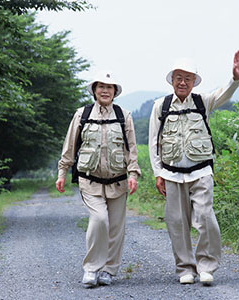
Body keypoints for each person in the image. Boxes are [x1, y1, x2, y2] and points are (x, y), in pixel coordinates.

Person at [148, 51, 239, 285]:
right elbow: (153, 142)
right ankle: (185, 269)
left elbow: (225, 94)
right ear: (172, 80)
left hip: (201, 172)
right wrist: (158, 173)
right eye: (178, 77)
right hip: (171, 174)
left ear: (194, 82)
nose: (183, 82)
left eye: (188, 78)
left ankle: (206, 266)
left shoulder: (203, 101)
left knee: (205, 218)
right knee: (177, 222)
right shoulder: (161, 106)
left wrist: (235, 79)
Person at [56, 71, 141, 288]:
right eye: (101, 86)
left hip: (118, 181)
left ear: (115, 92)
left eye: (109, 87)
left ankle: (109, 270)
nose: (105, 90)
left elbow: (131, 148)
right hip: (89, 181)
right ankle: (92, 268)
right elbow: (70, 146)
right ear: (94, 90)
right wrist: (62, 173)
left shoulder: (124, 115)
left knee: (116, 227)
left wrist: (133, 174)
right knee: (100, 220)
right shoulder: (81, 115)